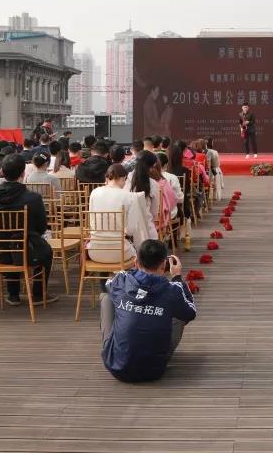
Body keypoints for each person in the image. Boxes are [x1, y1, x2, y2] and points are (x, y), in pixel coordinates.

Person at [100, 239, 196, 383]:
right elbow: (190, 312)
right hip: (154, 370)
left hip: (117, 367)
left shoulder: (121, 280)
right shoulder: (172, 289)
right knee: (179, 308)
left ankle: (117, 348)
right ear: (164, 264)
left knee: (106, 298)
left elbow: (107, 286)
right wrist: (177, 278)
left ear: (136, 262)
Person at [0, 154, 55, 305]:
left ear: (1, 172)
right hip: (28, 252)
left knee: (8, 239)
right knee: (46, 251)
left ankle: (13, 294)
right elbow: (42, 227)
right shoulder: (33, 198)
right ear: (23, 173)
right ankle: (38, 294)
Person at [86, 163, 156, 263]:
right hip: (120, 253)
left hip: (94, 252)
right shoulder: (129, 196)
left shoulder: (94, 192)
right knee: (135, 249)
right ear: (123, 178)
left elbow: (91, 221)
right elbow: (131, 230)